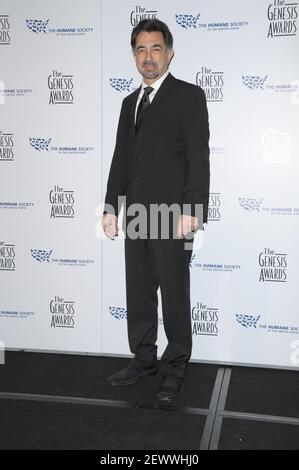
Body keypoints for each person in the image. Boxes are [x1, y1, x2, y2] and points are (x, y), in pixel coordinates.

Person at [102, 19, 210, 401]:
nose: (148, 57)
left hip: (173, 214)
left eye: (155, 49)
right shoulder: (127, 103)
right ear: (134, 55)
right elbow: (121, 160)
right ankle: (144, 357)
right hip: (134, 213)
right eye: (141, 50)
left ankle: (176, 363)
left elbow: (199, 158)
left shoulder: (188, 96)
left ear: (170, 53)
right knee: (139, 290)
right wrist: (111, 207)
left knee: (175, 294)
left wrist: (193, 209)